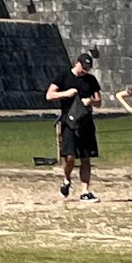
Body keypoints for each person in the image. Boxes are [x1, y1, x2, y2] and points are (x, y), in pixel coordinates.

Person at [46, 51, 101, 202]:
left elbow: (99, 101)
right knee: (69, 156)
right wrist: (66, 93)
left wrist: (91, 101)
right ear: (77, 63)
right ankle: (67, 179)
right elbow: (49, 95)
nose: (85, 70)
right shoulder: (63, 76)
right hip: (68, 121)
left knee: (85, 157)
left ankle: (85, 191)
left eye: (88, 68)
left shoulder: (90, 80)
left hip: (85, 121)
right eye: (83, 67)